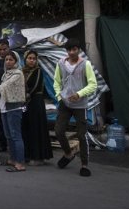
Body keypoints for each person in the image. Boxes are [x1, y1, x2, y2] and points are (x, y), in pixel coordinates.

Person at [53, 39, 97, 177]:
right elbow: (56, 82)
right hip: (65, 103)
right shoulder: (60, 63)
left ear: (79, 50)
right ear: (66, 51)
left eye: (75, 49)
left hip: (80, 105)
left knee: (82, 135)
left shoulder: (86, 64)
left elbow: (93, 84)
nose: (72, 52)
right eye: (69, 50)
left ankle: (84, 165)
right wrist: (60, 97)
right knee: (59, 131)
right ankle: (68, 154)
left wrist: (79, 94)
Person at [21, 50, 53, 165]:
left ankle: (38, 157)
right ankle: (28, 155)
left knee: (36, 128)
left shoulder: (38, 70)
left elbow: (34, 86)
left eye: (34, 58)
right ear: (25, 59)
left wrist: (24, 95)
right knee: (27, 128)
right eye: (29, 58)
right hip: (26, 103)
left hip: (35, 102)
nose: (32, 60)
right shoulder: (23, 71)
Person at [0, 52, 27, 172]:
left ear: (16, 61)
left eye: (11, 60)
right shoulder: (5, 74)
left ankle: (20, 163)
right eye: (6, 59)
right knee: (8, 135)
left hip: (14, 107)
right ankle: (12, 159)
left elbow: (5, 86)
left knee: (16, 135)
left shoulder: (18, 73)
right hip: (4, 107)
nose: (8, 62)